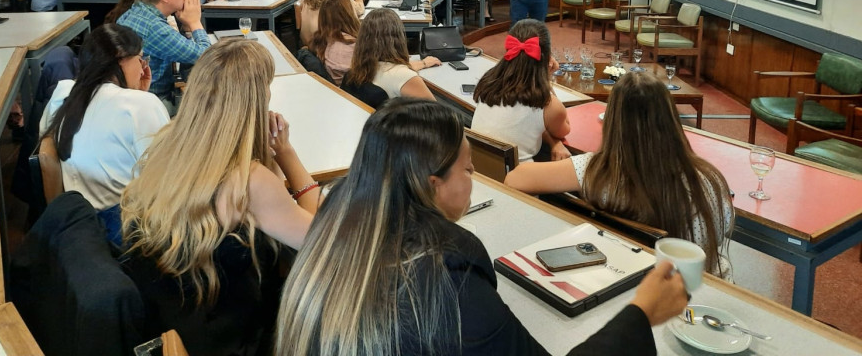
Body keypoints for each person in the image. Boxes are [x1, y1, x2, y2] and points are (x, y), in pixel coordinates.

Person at [275, 98, 689, 356]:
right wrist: (641, 314)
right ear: (432, 185)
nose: (473, 176)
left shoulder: (336, 221)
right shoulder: (447, 280)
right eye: (468, 167)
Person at [121, 39, 319, 356]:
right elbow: (317, 241)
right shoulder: (249, 181)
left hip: (178, 319)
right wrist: (286, 153)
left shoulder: (168, 143)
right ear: (256, 100)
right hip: (234, 339)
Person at [505, 71, 735, 278]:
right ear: (672, 120)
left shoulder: (596, 171)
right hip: (699, 287)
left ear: (612, 121)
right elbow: (721, 231)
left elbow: (514, 178)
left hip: (628, 282)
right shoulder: (710, 181)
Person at [39, 24, 169, 243]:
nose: (143, 67)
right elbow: (165, 177)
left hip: (79, 223)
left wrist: (136, 93)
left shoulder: (64, 93)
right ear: (120, 59)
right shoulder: (141, 105)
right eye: (140, 58)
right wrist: (141, 97)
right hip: (127, 229)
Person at [471, 19, 570, 162]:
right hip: (518, 179)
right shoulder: (549, 104)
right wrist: (547, 80)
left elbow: (528, 122)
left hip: (481, 173)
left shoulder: (489, 83)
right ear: (548, 57)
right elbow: (563, 131)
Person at [116, 0, 211, 111]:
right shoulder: (154, 27)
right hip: (154, 102)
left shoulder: (135, 12)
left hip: (131, 98)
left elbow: (181, 49)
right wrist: (195, 22)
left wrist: (186, 27)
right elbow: (207, 56)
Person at [345, 8, 440, 99]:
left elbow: (389, 71)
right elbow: (438, 113)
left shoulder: (358, 69)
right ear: (399, 37)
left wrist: (422, 63)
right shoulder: (405, 77)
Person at [310, 0, 360, 86]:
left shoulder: (320, 40)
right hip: (353, 93)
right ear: (349, 15)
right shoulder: (355, 45)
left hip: (333, 90)